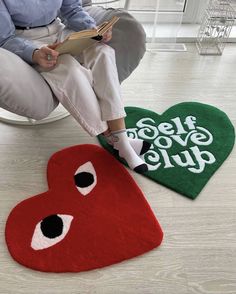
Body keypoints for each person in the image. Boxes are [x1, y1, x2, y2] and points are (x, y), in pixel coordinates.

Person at [0, 0, 150, 173]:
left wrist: (93, 30)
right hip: (28, 42)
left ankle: (121, 137)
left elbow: (71, 10)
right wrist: (33, 53)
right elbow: (5, 38)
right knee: (68, 68)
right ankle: (115, 139)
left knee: (102, 51)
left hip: (59, 31)